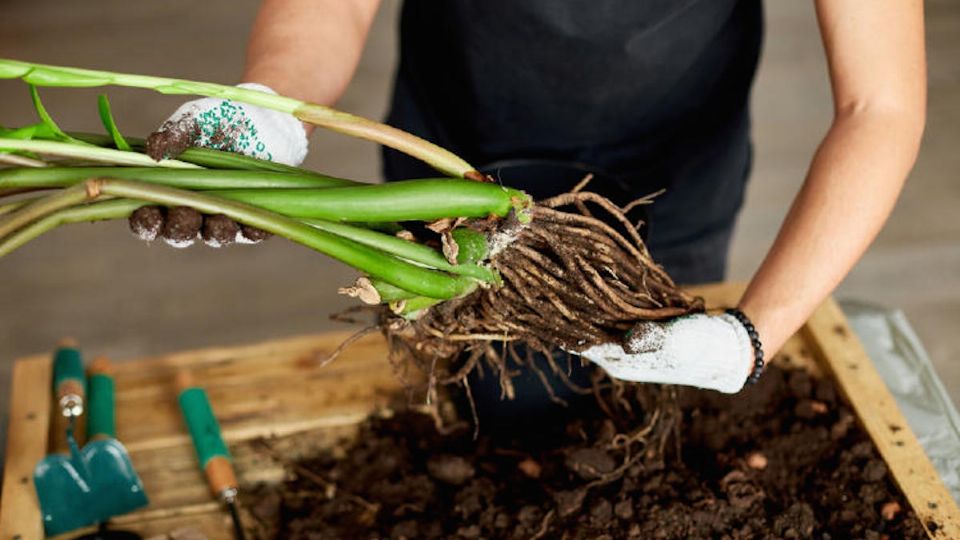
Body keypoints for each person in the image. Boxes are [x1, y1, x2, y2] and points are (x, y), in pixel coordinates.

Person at [146, 1, 926, 396]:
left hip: (670, 184)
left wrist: (755, 335)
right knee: (467, 392)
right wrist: (272, 102)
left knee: (645, 397)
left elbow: (878, 106)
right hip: (449, 169)